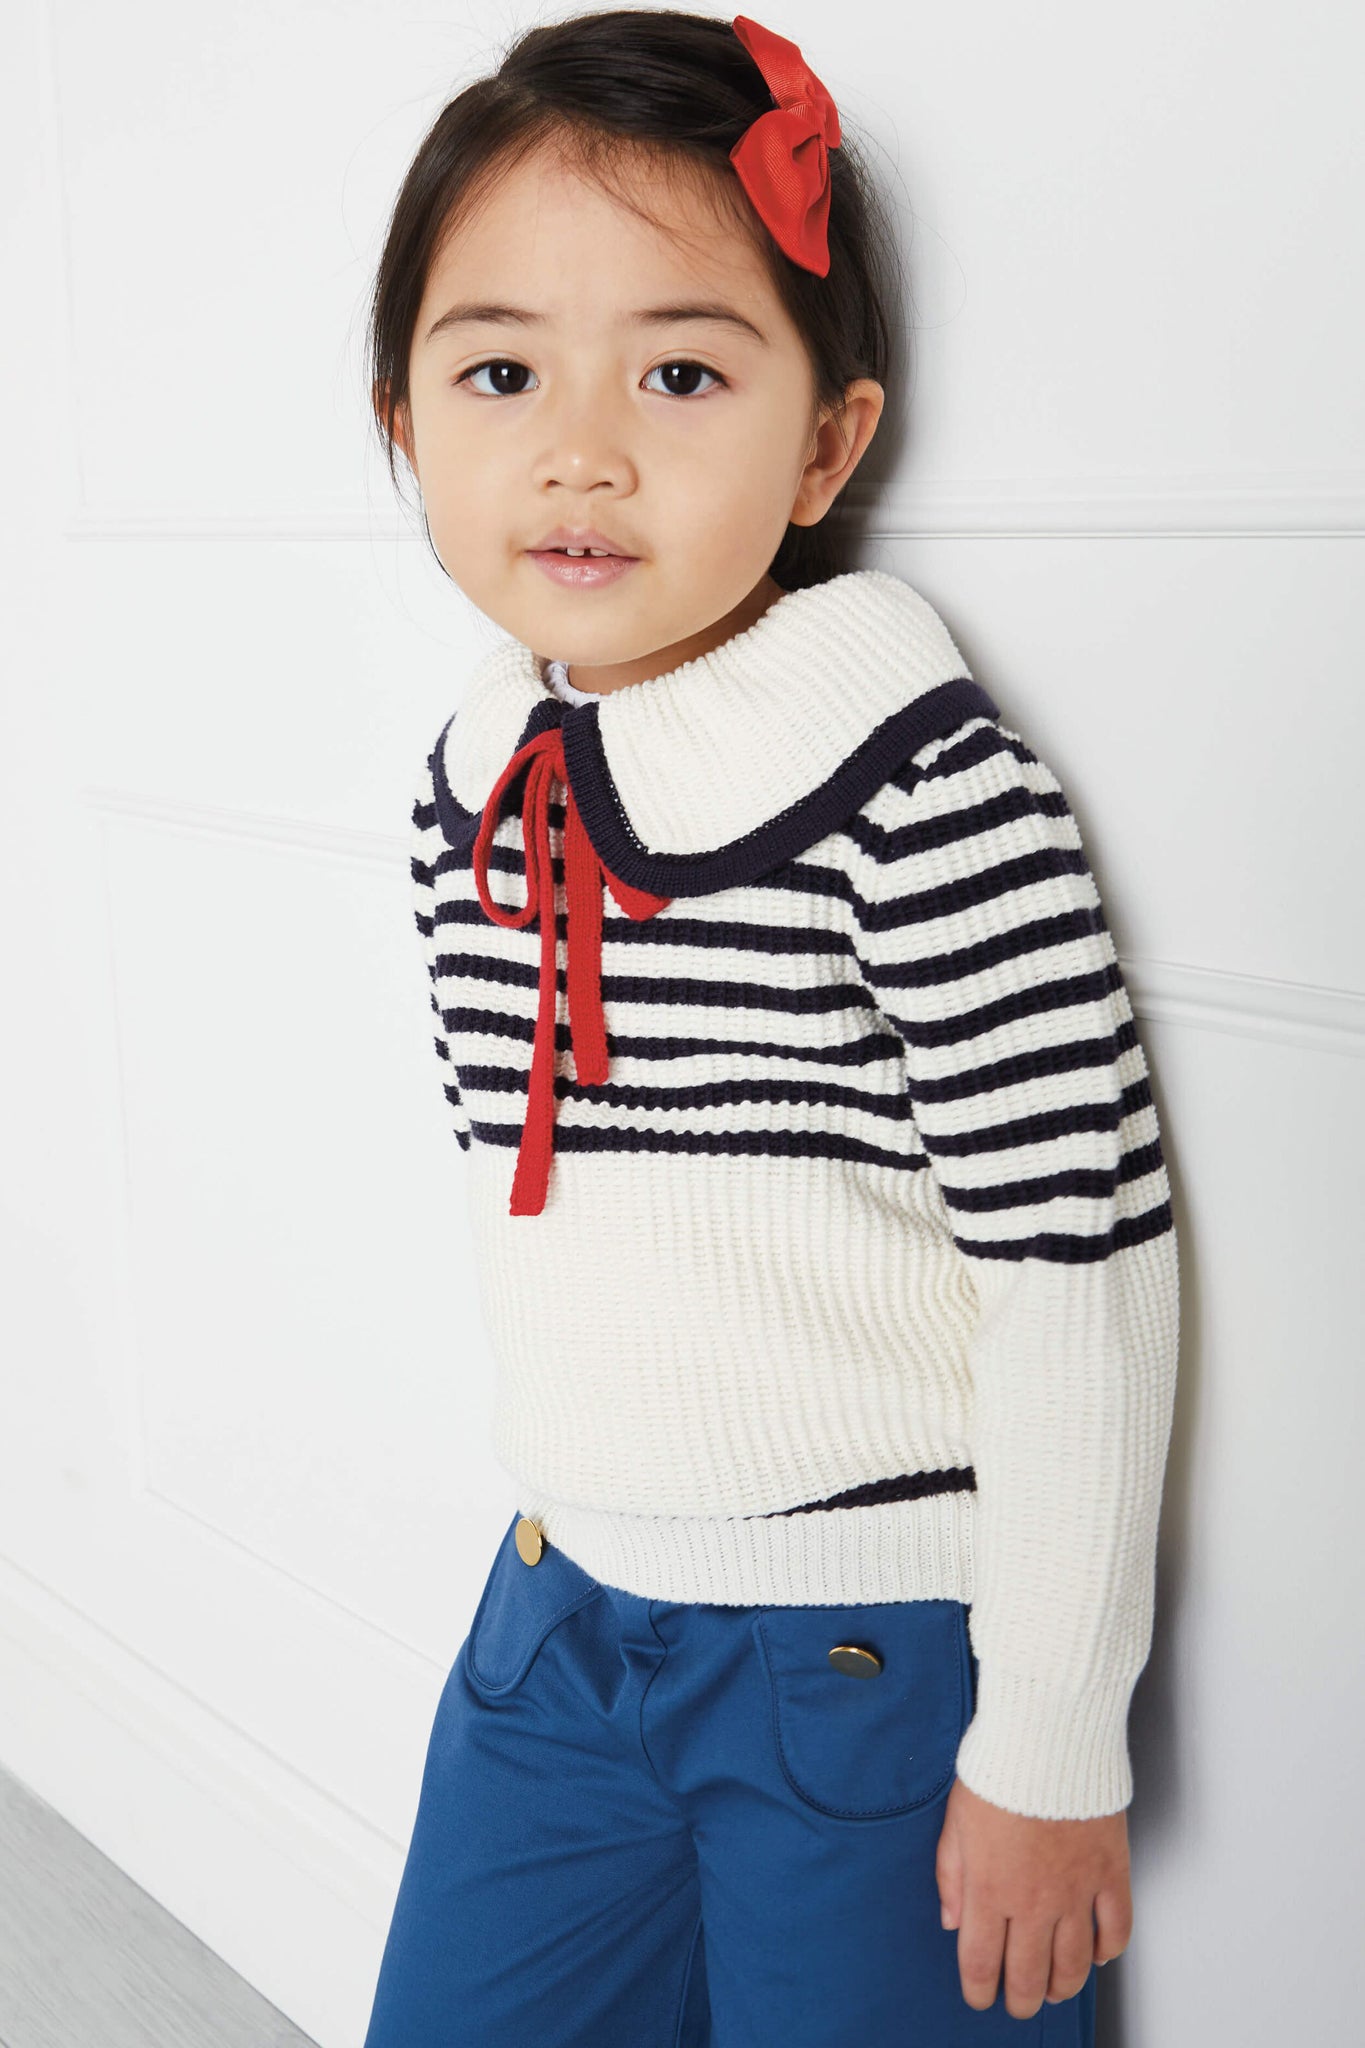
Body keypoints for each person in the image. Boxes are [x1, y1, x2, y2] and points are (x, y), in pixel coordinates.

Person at [360, 11, 1179, 2044]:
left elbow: (1075, 1269)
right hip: (552, 1613)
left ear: (826, 445)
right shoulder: (469, 782)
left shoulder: (915, 785)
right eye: (499, 372)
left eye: (680, 372)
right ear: (403, 426)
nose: (580, 449)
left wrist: (1049, 1734)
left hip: (857, 1661)